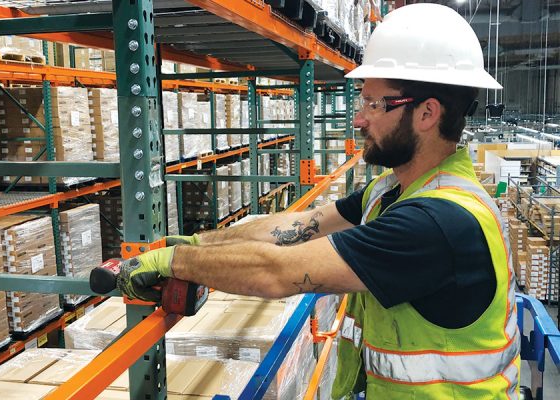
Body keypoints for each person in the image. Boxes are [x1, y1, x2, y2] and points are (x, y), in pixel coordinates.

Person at [117, 4, 520, 399]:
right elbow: (299, 225)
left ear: (427, 113)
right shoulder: (393, 191)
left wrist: (174, 263)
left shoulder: (437, 223)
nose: (359, 119)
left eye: (374, 104)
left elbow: (278, 271)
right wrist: (201, 244)